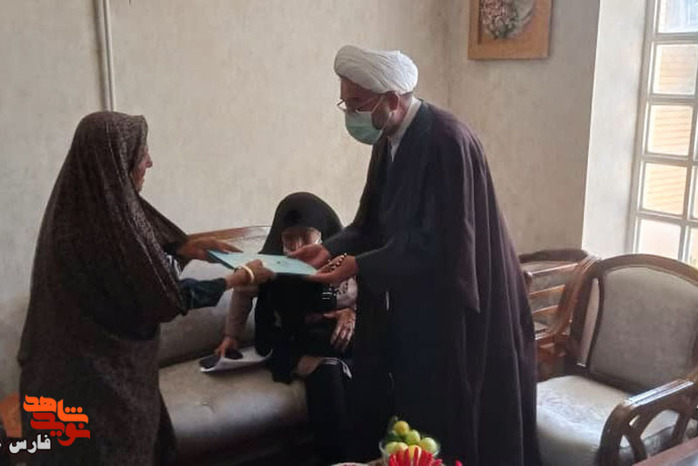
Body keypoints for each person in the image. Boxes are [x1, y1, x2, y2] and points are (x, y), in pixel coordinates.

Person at [291, 45, 541, 465]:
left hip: (460, 306)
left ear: (391, 99)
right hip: (413, 304)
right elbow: (369, 224)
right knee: (409, 414)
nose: (349, 114)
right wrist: (329, 247)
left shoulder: (447, 140)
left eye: (356, 104)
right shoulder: (387, 139)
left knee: (454, 418)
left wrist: (357, 265)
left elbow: (439, 244)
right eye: (345, 103)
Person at [17, 111, 274, 465]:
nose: (149, 162)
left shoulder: (79, 208)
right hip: (93, 388)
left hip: (69, 378)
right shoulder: (100, 232)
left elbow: (140, 261)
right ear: (118, 164)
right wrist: (239, 277)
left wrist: (183, 249)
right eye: (142, 155)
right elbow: (165, 298)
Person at [215, 192, 357, 464]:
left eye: (305, 236)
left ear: (322, 233)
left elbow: (371, 298)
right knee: (328, 372)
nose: (296, 246)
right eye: (289, 238)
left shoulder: (346, 260)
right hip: (293, 342)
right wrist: (231, 336)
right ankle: (336, 459)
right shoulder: (269, 265)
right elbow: (242, 293)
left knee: (369, 370)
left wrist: (351, 313)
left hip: (342, 340)